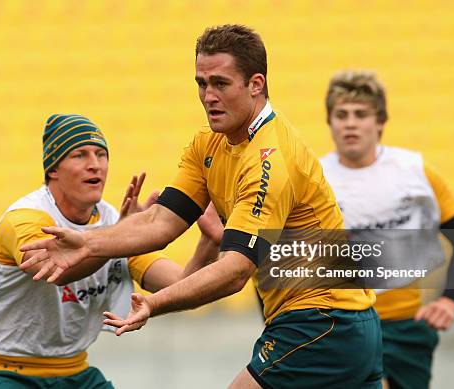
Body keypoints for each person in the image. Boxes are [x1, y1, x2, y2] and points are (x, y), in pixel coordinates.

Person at [22, 26, 383, 388]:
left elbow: (234, 273)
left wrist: (154, 303)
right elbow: (161, 222)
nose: (208, 96)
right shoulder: (208, 145)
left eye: (221, 84)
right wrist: (89, 242)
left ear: (256, 84)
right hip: (340, 324)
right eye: (201, 83)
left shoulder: (269, 160)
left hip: (323, 320)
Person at [0, 113, 218, 388]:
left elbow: (182, 286)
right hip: (5, 371)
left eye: (101, 154)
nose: (95, 165)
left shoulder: (114, 224)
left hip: (76, 371)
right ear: (53, 169)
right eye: (80, 155)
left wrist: (210, 241)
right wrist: (125, 235)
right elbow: (56, 271)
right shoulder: (25, 219)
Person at [319, 71, 454, 389]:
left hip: (404, 328)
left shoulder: (414, 172)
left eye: (361, 114)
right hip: (341, 326)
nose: (350, 123)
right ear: (330, 123)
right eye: (341, 115)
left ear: (380, 121)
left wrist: (449, 300)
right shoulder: (314, 179)